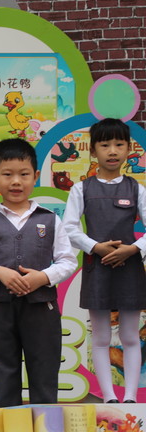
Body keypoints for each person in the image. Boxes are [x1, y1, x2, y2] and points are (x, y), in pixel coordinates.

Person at [0, 138, 77, 407]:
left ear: (35, 177)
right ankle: (8, 420)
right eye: (7, 174)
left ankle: (46, 422)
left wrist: (43, 277)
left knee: (45, 368)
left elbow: (67, 261)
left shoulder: (50, 219)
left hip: (42, 308)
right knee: (3, 369)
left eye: (24, 174)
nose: (16, 182)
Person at [63, 118, 146, 404]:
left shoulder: (137, 189)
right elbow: (69, 228)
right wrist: (95, 247)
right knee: (99, 337)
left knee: (130, 336)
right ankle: (109, 397)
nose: (112, 151)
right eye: (105, 145)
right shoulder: (81, 189)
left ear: (129, 149)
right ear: (93, 151)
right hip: (96, 268)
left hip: (130, 269)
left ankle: (131, 398)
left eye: (119, 145)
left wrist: (132, 250)